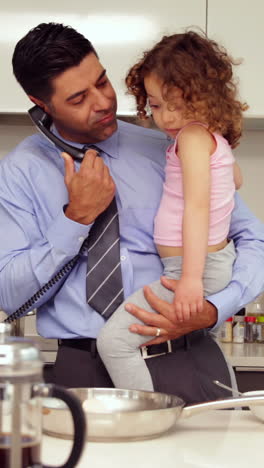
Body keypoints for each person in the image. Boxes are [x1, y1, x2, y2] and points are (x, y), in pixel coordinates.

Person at [0, 23, 263, 404]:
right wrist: (76, 219)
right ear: (42, 104)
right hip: (82, 371)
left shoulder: (171, 146)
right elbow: (10, 293)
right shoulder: (18, 173)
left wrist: (213, 309)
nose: (103, 102)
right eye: (78, 98)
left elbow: (252, 237)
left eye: (102, 82)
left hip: (188, 362)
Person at [96, 31, 245, 391]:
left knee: (113, 344)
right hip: (199, 265)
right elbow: (235, 180)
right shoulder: (209, 138)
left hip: (192, 270)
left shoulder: (193, 139)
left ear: (204, 96)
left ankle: (142, 414)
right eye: (158, 105)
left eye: (177, 103)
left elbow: (197, 208)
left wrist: (191, 280)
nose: (166, 117)